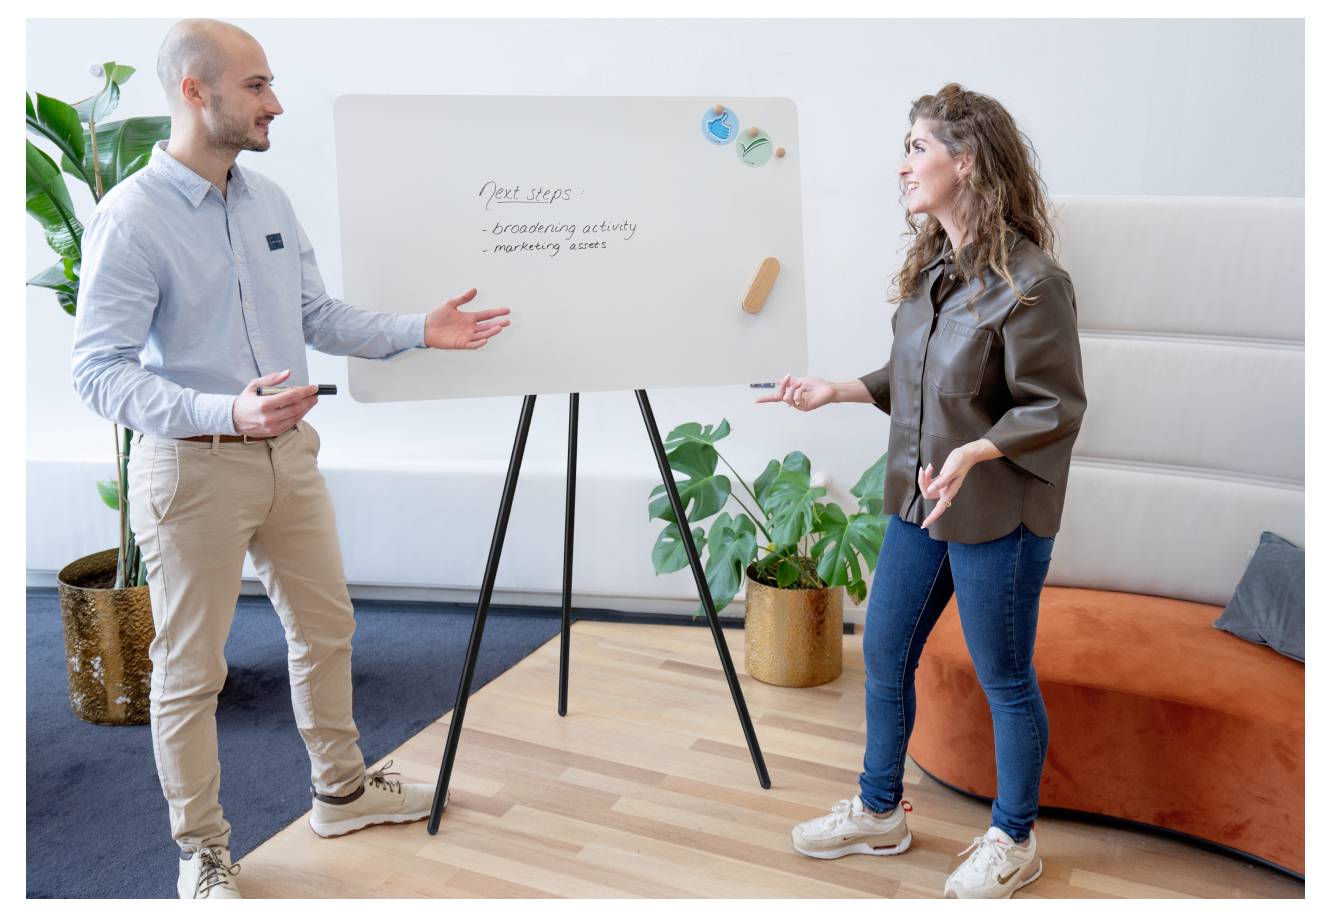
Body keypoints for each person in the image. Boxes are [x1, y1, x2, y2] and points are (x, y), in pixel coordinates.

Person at [69, 19, 511, 899]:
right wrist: (222, 409)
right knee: (192, 669)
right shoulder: (131, 218)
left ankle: (340, 791)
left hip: (289, 457)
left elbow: (316, 315)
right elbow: (97, 370)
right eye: (256, 85)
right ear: (194, 91)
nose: (274, 103)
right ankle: (201, 851)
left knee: (327, 628)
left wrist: (417, 330)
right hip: (192, 468)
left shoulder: (266, 200)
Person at [760, 83, 1086, 899]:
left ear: (965, 161)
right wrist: (836, 390)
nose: (903, 165)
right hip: (918, 500)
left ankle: (1014, 838)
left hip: (997, 511)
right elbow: (914, 377)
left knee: (1002, 674)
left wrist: (975, 450)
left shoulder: (1033, 282)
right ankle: (879, 811)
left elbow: (1054, 405)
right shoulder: (930, 270)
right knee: (883, 652)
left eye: (917, 148)